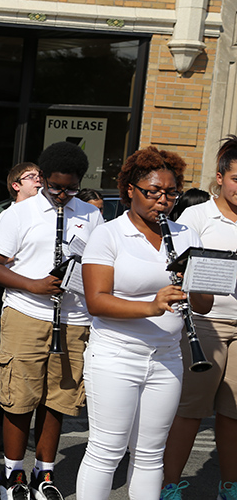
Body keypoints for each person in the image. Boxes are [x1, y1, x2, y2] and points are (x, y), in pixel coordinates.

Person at [76, 146, 213, 499]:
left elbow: (204, 304)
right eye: (153, 192)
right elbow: (97, 301)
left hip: (167, 356)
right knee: (106, 451)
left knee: (151, 455)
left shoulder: (186, 235)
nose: (162, 201)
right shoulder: (109, 234)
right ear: (130, 191)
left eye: (170, 193)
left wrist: (194, 282)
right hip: (115, 355)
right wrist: (152, 306)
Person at [0, 141, 104, 500]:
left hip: (73, 318)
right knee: (19, 399)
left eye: (70, 188)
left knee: (59, 400)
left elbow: (97, 266)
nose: (62, 195)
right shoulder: (18, 214)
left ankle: (44, 473)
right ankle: (13, 474)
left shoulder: (91, 214)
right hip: (26, 313)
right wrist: (33, 284)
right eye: (55, 187)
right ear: (44, 179)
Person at [161, 138, 237, 500]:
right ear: (220, 178)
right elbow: (174, 267)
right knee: (190, 410)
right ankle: (169, 486)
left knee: (234, 412)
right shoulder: (197, 215)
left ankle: (229, 487)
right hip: (204, 323)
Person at [0, 161, 43, 451]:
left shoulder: (46, 215)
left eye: (39, 176)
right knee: (12, 373)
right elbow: (0, 259)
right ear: (16, 185)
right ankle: (1, 426)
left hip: (45, 306)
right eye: (30, 177)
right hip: (20, 303)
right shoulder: (9, 215)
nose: (38, 181)